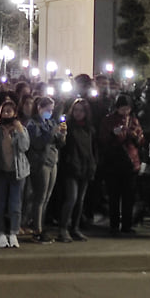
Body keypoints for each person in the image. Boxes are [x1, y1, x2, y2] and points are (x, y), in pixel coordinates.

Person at [99, 95, 144, 235]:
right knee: (114, 195)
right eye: (123, 108)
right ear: (117, 107)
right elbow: (103, 140)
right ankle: (113, 225)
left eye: (128, 108)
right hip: (114, 162)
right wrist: (114, 134)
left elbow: (141, 140)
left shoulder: (134, 120)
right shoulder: (108, 120)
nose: (125, 111)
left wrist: (136, 136)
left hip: (131, 162)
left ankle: (126, 224)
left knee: (128, 196)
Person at [25, 96, 66, 243]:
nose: (50, 112)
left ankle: (41, 225)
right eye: (47, 109)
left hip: (52, 161)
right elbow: (36, 143)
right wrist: (50, 133)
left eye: (51, 110)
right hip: (40, 162)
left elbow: (59, 144)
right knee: (40, 196)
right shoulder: (33, 123)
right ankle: (37, 229)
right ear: (40, 108)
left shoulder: (51, 122)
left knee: (47, 196)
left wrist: (61, 136)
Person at [0, 100, 30, 248]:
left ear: (15, 113)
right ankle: (0, 233)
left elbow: (25, 147)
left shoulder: (21, 129)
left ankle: (13, 232)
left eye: (10, 111)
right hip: (1, 171)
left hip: (18, 171)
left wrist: (19, 130)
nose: (7, 113)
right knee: (0, 203)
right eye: (5, 110)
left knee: (15, 204)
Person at [58, 99, 96, 242]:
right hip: (71, 166)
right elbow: (62, 145)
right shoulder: (68, 126)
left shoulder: (89, 128)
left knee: (80, 200)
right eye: (76, 110)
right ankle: (63, 228)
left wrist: (93, 164)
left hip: (85, 166)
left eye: (81, 111)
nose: (78, 113)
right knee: (71, 198)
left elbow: (92, 149)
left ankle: (75, 228)